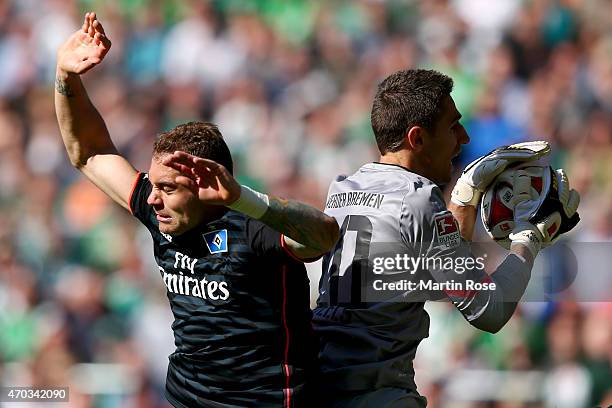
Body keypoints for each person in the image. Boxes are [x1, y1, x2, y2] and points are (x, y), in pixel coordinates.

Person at [55, 12, 339, 408]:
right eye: (153, 184)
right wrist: (66, 77)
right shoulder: (158, 212)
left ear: (205, 187)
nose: (152, 198)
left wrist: (242, 197)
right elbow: (88, 153)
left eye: (168, 188)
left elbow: (325, 235)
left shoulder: (251, 228)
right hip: (187, 398)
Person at [312, 69, 579, 406]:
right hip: (377, 394)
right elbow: (489, 311)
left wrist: (466, 193)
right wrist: (530, 242)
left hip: (321, 388)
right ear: (417, 138)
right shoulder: (417, 199)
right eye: (453, 126)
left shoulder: (342, 189)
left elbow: (434, 277)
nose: (464, 138)